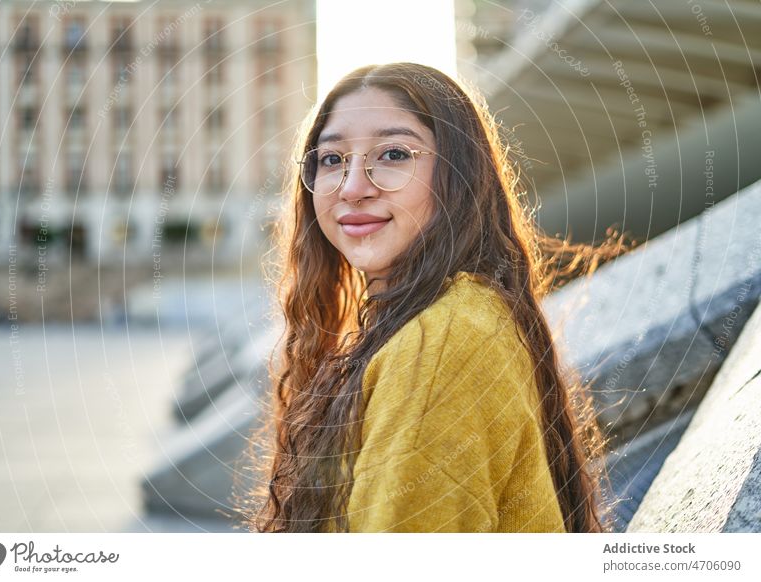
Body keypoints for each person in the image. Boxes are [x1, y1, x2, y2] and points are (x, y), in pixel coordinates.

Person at [250, 62, 621, 533]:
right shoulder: (446, 317)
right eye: (331, 159)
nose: (353, 187)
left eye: (394, 154)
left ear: (458, 174)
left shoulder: (440, 341)